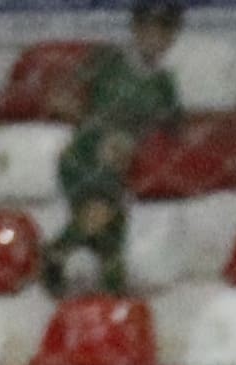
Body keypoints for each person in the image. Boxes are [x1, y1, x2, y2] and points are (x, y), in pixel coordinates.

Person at [61, 0, 188, 219]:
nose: (155, 36)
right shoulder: (106, 58)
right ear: (135, 28)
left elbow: (175, 130)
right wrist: (88, 125)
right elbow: (62, 97)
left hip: (132, 151)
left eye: (165, 29)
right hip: (90, 141)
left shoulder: (164, 82)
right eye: (148, 27)